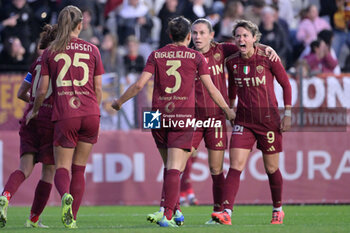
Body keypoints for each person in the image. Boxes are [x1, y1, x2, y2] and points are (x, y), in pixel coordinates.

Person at [111, 16, 235, 227]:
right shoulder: (196, 57)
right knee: (174, 168)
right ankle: (166, 213)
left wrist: (119, 102)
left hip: (155, 116)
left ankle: (175, 211)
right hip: (182, 115)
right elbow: (212, 88)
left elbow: (139, 85)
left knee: (169, 167)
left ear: (169, 35)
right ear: (188, 36)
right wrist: (228, 111)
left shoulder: (155, 54)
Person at [190, 18, 280, 225]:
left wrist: (267, 48)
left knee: (216, 169)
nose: (198, 37)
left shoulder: (222, 50)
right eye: (194, 33)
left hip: (217, 118)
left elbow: (248, 43)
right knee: (180, 162)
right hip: (193, 117)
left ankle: (219, 212)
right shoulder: (187, 56)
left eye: (202, 32)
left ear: (211, 35)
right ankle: (172, 210)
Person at [26, 5, 104, 228]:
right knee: (79, 168)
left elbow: (41, 91)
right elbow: (99, 89)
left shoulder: (51, 51)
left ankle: (64, 197)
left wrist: (34, 110)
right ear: (81, 25)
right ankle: (73, 220)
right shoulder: (93, 49)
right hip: (90, 112)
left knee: (62, 167)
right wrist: (95, 112)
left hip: (65, 114)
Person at [211, 19, 292, 225]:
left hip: (269, 121)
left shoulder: (267, 57)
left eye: (246, 35)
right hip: (244, 121)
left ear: (254, 38)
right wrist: (230, 107)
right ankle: (227, 212)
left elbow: (285, 84)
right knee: (235, 166)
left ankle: (278, 209)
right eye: (238, 36)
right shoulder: (232, 61)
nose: (241, 39)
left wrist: (288, 113)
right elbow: (232, 87)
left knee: (271, 169)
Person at [0, 24, 58, 228]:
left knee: (23, 168)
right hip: (49, 119)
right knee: (48, 172)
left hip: (30, 118)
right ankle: (33, 219)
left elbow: (20, 93)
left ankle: (5, 196)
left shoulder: (36, 64)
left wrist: (33, 103)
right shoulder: (59, 62)